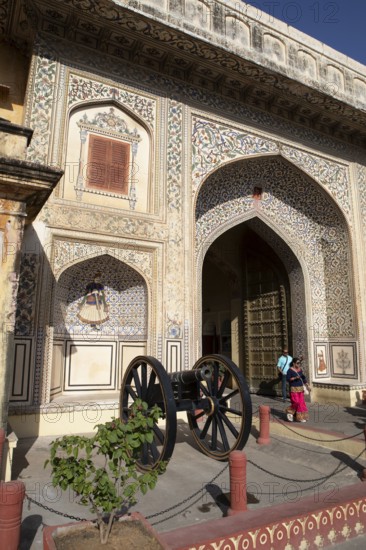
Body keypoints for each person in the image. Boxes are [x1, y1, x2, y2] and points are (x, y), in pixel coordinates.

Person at [286, 357, 310, 422]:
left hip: (301, 388)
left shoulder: (300, 370)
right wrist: (295, 378)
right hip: (294, 389)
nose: (299, 364)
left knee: (301, 403)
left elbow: (303, 378)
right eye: (297, 363)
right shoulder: (290, 370)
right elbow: (288, 379)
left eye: (299, 363)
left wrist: (308, 385)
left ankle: (301, 417)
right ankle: (290, 411)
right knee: (296, 402)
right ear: (294, 363)